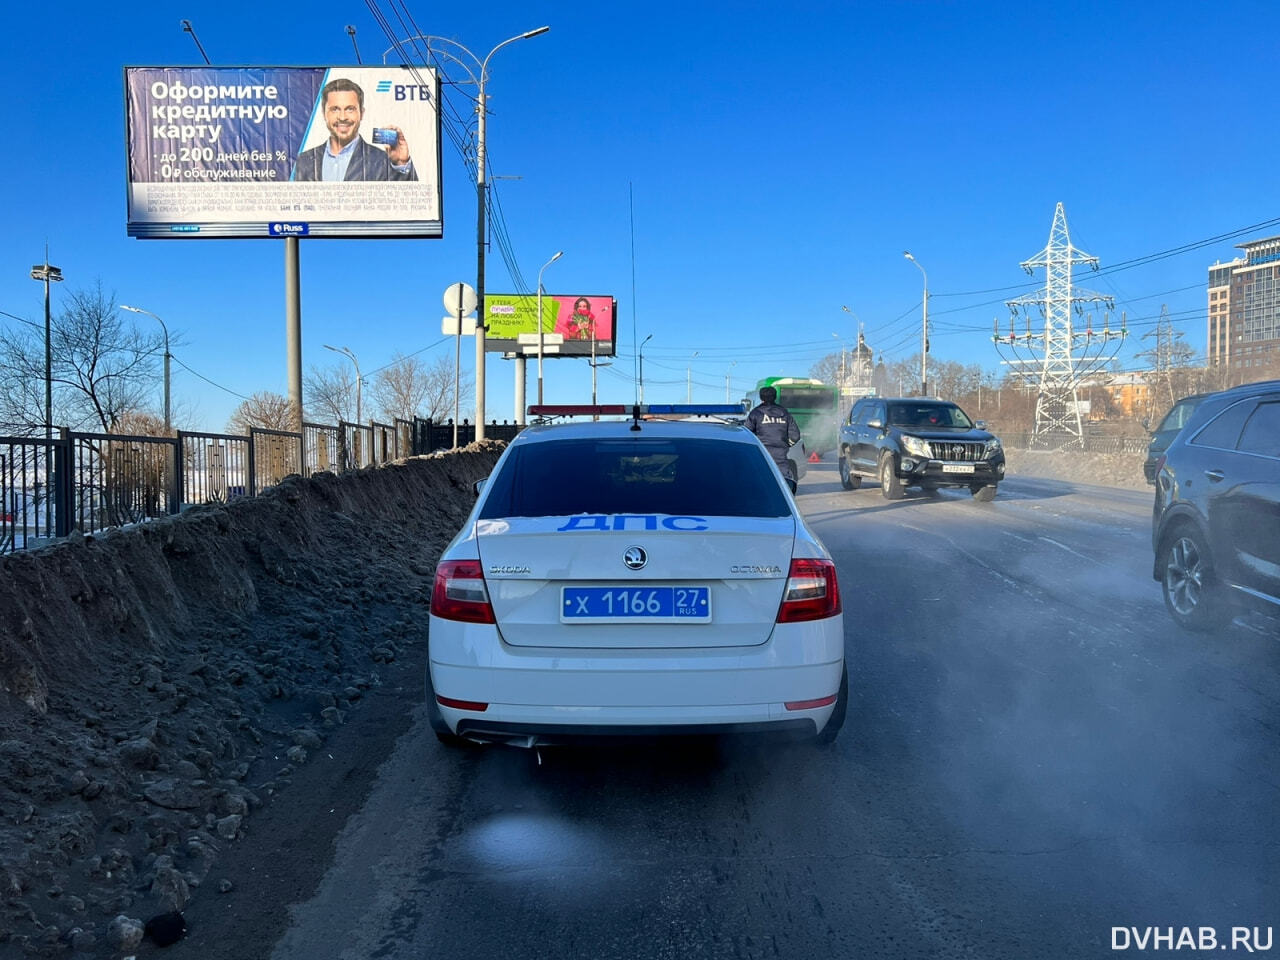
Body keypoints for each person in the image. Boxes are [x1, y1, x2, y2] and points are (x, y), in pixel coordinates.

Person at [294, 78, 418, 182]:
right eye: (335, 109)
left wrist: (401, 163)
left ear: (362, 113)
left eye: (350, 109)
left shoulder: (381, 160)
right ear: (324, 114)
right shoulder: (305, 161)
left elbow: (410, 204)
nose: (342, 117)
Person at [746, 386, 802, 492]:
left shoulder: (756, 413)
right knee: (783, 488)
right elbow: (795, 435)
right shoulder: (784, 412)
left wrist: (757, 446)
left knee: (761, 486)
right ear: (775, 397)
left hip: (762, 456)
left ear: (761, 398)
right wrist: (785, 444)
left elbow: (747, 434)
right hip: (781, 458)